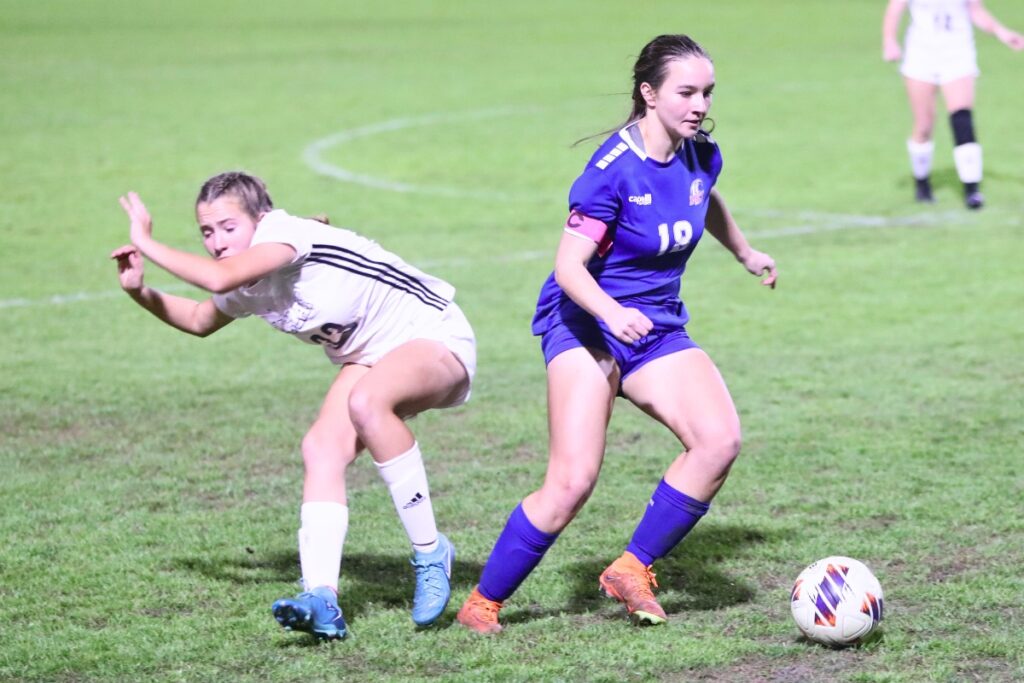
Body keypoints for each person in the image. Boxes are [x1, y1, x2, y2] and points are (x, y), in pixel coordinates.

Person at [455, 34, 777, 634]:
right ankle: (482, 605)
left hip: (653, 328)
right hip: (585, 326)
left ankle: (631, 568)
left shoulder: (699, 155)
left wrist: (744, 251)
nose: (700, 103)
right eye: (686, 91)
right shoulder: (610, 172)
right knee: (572, 481)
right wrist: (609, 312)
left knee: (718, 440)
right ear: (649, 94)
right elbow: (568, 269)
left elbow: (705, 199)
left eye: (707, 91)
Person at [111, 171, 476, 640]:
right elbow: (201, 319)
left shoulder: (286, 234)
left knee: (367, 402)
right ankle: (322, 597)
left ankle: (430, 553)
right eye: (207, 232)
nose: (218, 241)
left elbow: (216, 275)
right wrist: (139, 291)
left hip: (433, 335)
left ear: (260, 219)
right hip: (368, 358)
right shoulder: (247, 280)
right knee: (321, 448)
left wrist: (144, 239)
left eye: (228, 226)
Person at [882, 0, 1024, 209]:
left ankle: (971, 190)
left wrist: (1002, 33)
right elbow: (894, 9)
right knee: (924, 126)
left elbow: (976, 10)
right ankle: (922, 184)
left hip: (958, 52)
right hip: (921, 54)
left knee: (961, 117)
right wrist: (889, 41)